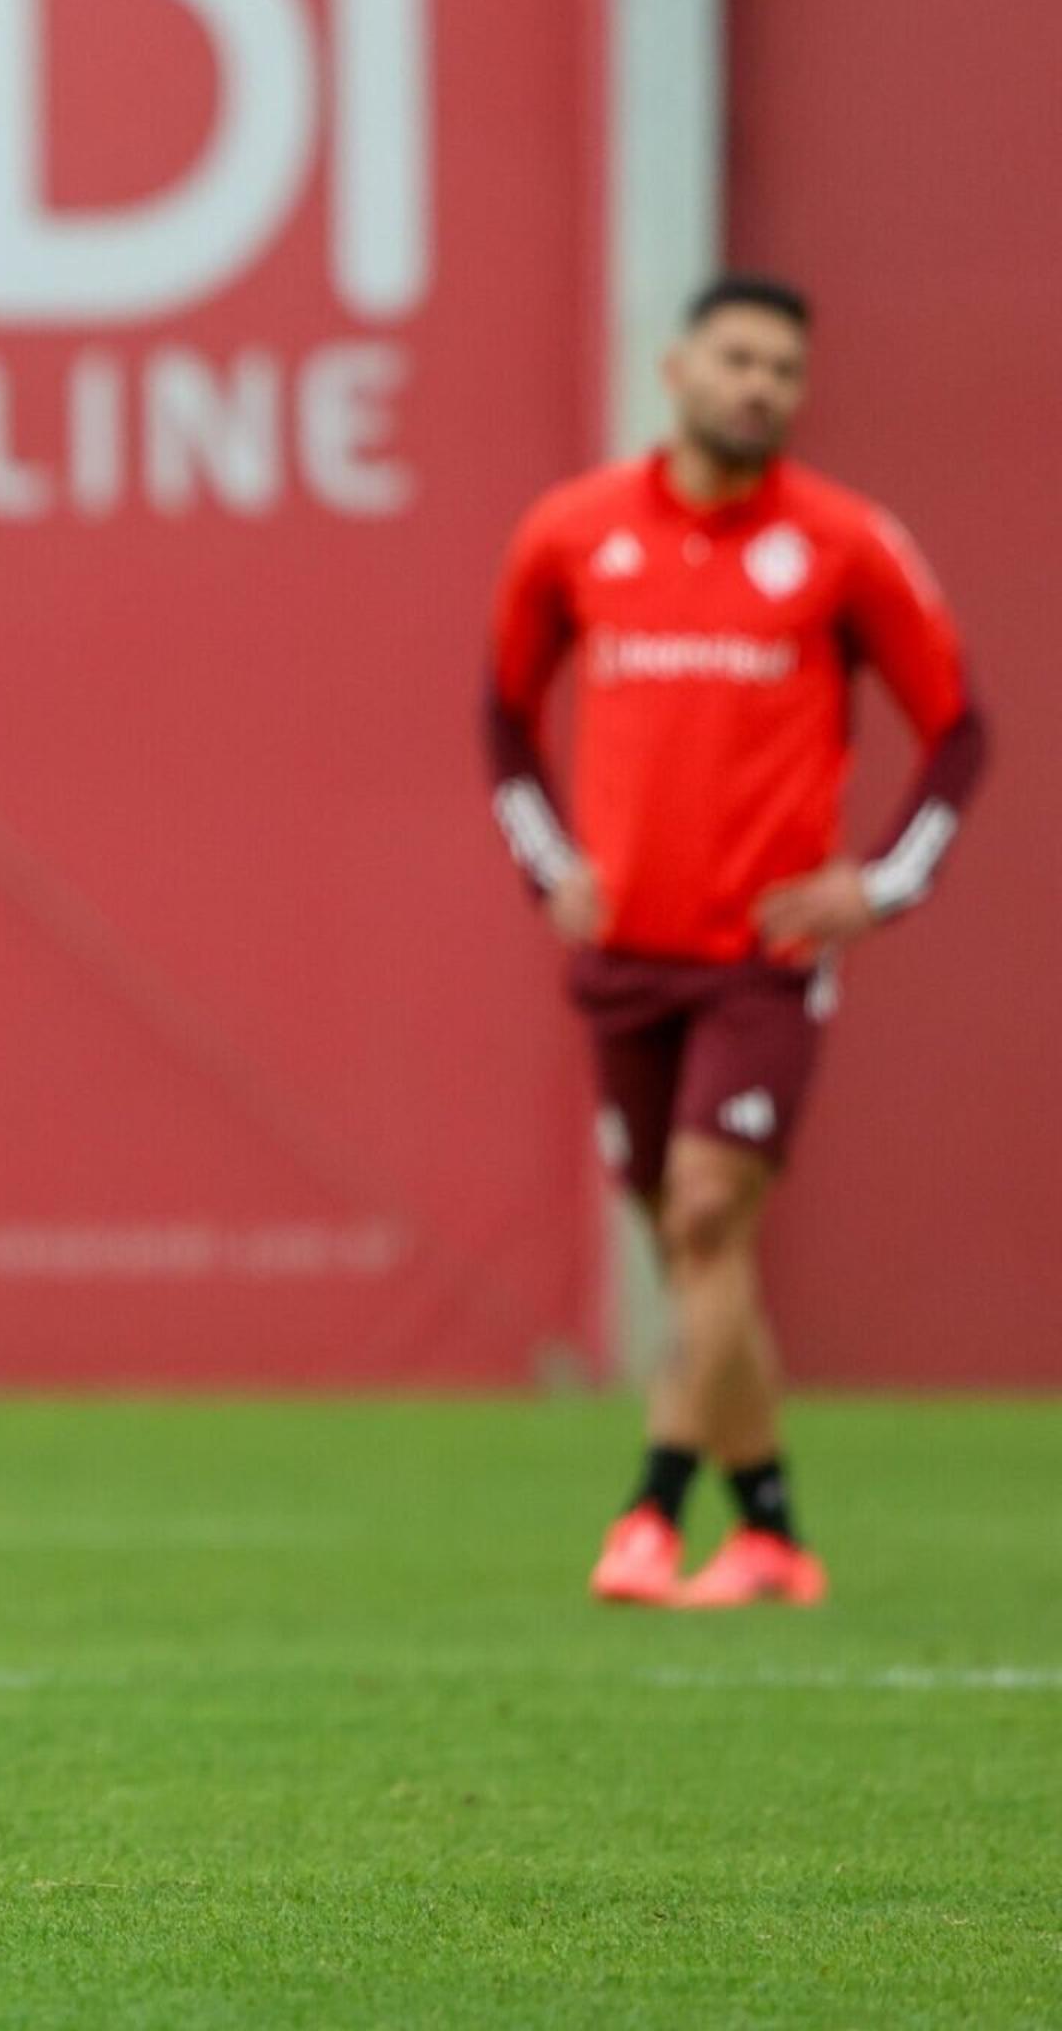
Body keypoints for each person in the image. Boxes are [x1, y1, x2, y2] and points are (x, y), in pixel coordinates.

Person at [485, 274, 987, 1609]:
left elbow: (959, 727)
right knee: (688, 1245)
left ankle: (652, 1512)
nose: (760, 385)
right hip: (624, 952)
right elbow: (502, 715)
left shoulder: (842, 542)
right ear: (677, 368)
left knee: (708, 1213)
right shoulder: (573, 534)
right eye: (738, 359)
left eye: (783, 369)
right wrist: (549, 867)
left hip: (760, 954)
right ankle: (766, 1532)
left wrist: (881, 886)